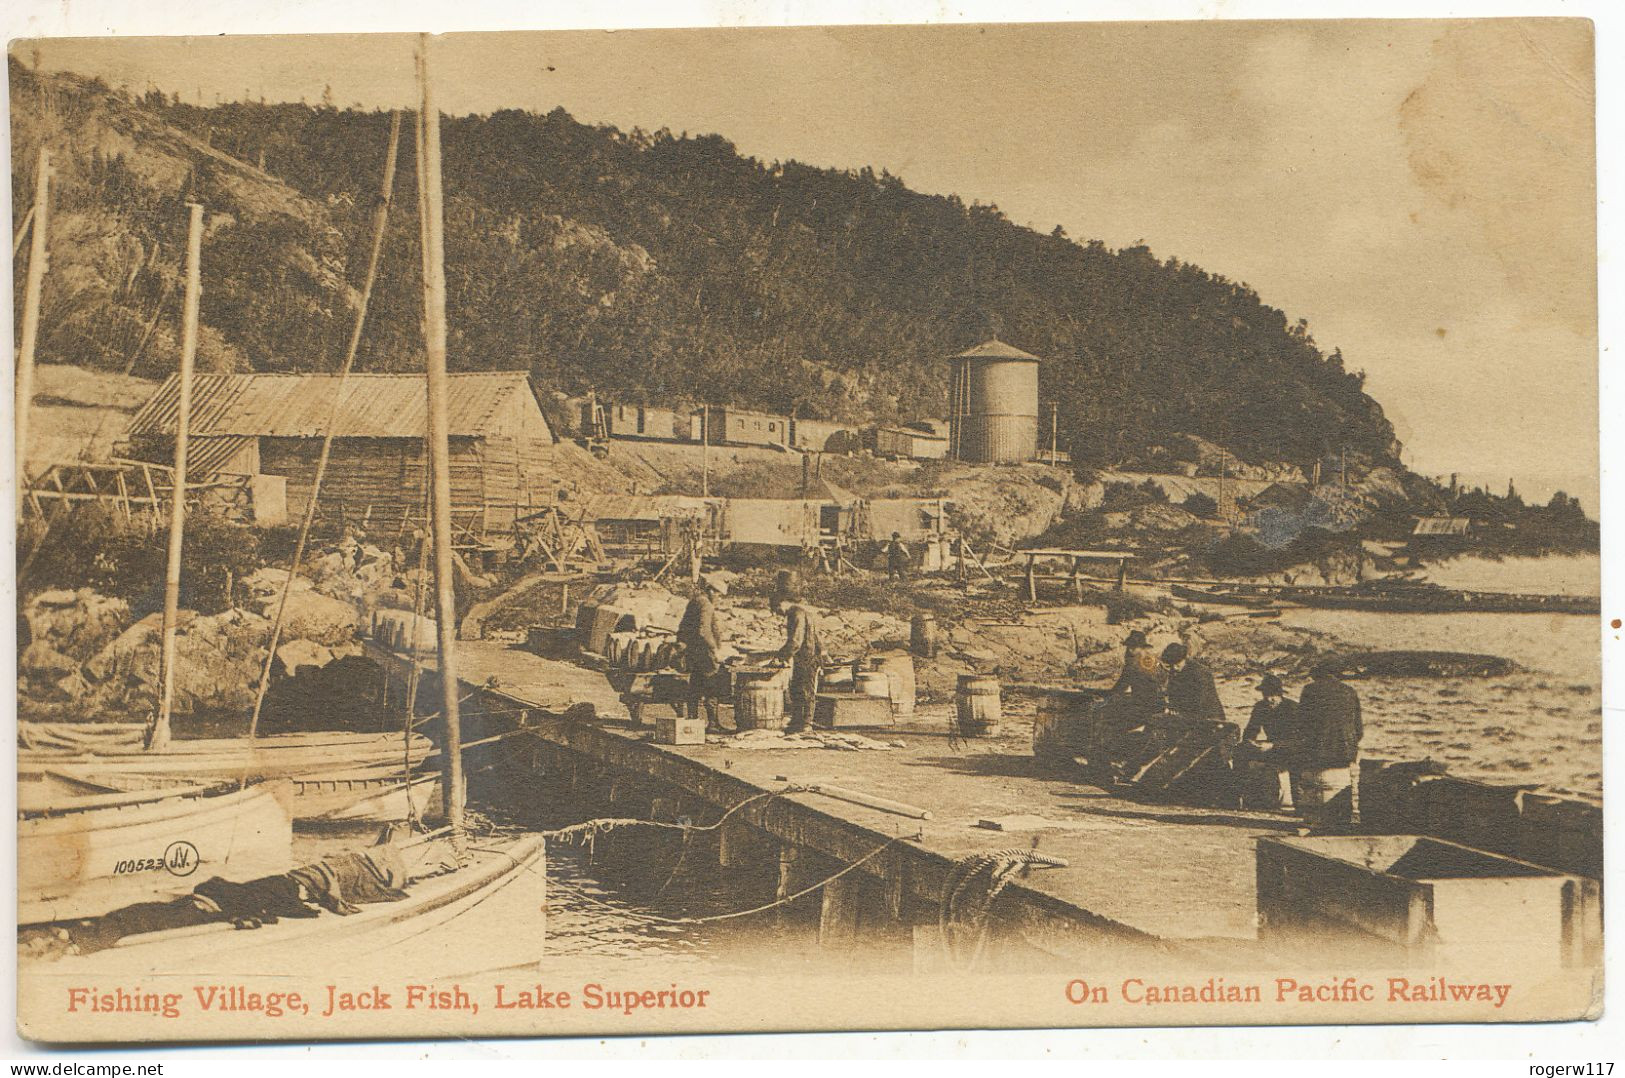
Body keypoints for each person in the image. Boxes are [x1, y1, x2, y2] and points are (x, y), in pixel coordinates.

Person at [1293, 662, 1364, 830]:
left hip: (1317, 752)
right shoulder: (1350, 691)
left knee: (1313, 787)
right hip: (1345, 753)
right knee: (1341, 789)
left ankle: (1313, 819)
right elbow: (1358, 729)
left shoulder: (1309, 691)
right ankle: (1342, 820)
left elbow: (1301, 725)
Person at [676, 573, 728, 733]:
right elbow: (703, 631)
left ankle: (692, 720)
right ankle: (712, 723)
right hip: (704, 652)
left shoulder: (695, 601)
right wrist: (715, 649)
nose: (719, 598)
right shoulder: (706, 604)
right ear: (712, 591)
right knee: (712, 685)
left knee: (696, 685)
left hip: (693, 650)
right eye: (719, 594)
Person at [1240, 674, 1299, 811]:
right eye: (1265, 695)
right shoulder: (1261, 707)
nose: (1269, 699)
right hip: (1270, 747)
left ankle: (1294, 802)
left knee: (1296, 760)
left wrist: (1274, 745)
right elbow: (1250, 730)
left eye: (1272, 695)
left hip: (1290, 749)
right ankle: (1244, 797)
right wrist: (1251, 743)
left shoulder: (1293, 709)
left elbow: (1299, 741)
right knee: (1240, 751)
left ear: (1280, 694)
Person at [771, 581, 824, 734]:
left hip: (807, 656)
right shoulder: (804, 612)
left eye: (777, 609)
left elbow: (795, 641)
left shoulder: (796, 613)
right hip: (807, 655)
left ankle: (806, 723)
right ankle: (797, 721)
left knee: (806, 690)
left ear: (783, 603)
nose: (778, 613)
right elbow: (817, 637)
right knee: (796, 689)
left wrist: (781, 656)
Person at [1160, 642, 1225, 723]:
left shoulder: (1200, 673)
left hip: (1209, 718)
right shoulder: (1175, 671)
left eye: (1177, 664)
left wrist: (1181, 711)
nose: (1174, 668)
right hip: (1186, 716)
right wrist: (1172, 707)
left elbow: (1203, 701)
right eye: (1171, 665)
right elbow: (1172, 693)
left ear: (1185, 659)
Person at [1108, 629, 1165, 716]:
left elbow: (1121, 686)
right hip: (1158, 702)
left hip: (1144, 705)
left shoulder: (1133, 663)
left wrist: (1106, 695)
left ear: (1140, 647)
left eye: (1132, 647)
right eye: (1129, 647)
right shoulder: (1152, 658)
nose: (1130, 650)